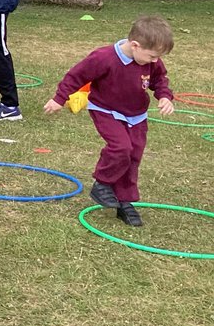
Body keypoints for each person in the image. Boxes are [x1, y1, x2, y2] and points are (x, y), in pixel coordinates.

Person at [43, 15, 175, 227]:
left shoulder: (152, 61)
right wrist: (60, 99)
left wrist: (165, 96)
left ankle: (124, 201)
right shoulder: (104, 57)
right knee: (121, 147)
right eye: (151, 57)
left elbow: (160, 80)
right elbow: (76, 76)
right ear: (135, 45)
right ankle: (102, 183)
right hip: (106, 110)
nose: (154, 61)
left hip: (136, 115)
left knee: (133, 155)